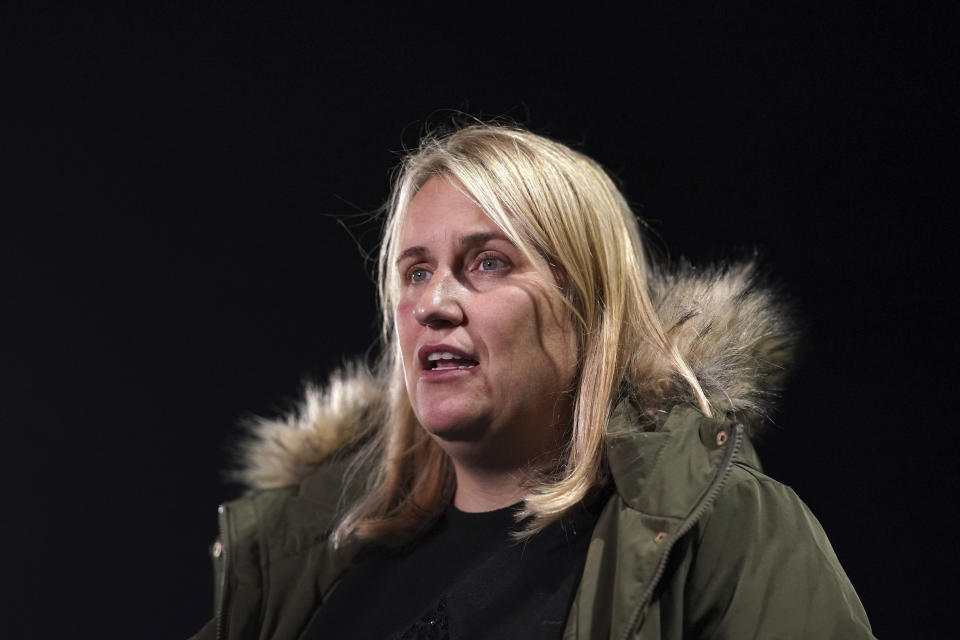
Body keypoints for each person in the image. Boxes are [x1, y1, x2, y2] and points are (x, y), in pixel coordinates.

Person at [189, 124, 875, 639]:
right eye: (416, 270)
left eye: (487, 263)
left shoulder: (726, 531)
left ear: (589, 305)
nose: (434, 303)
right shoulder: (307, 554)